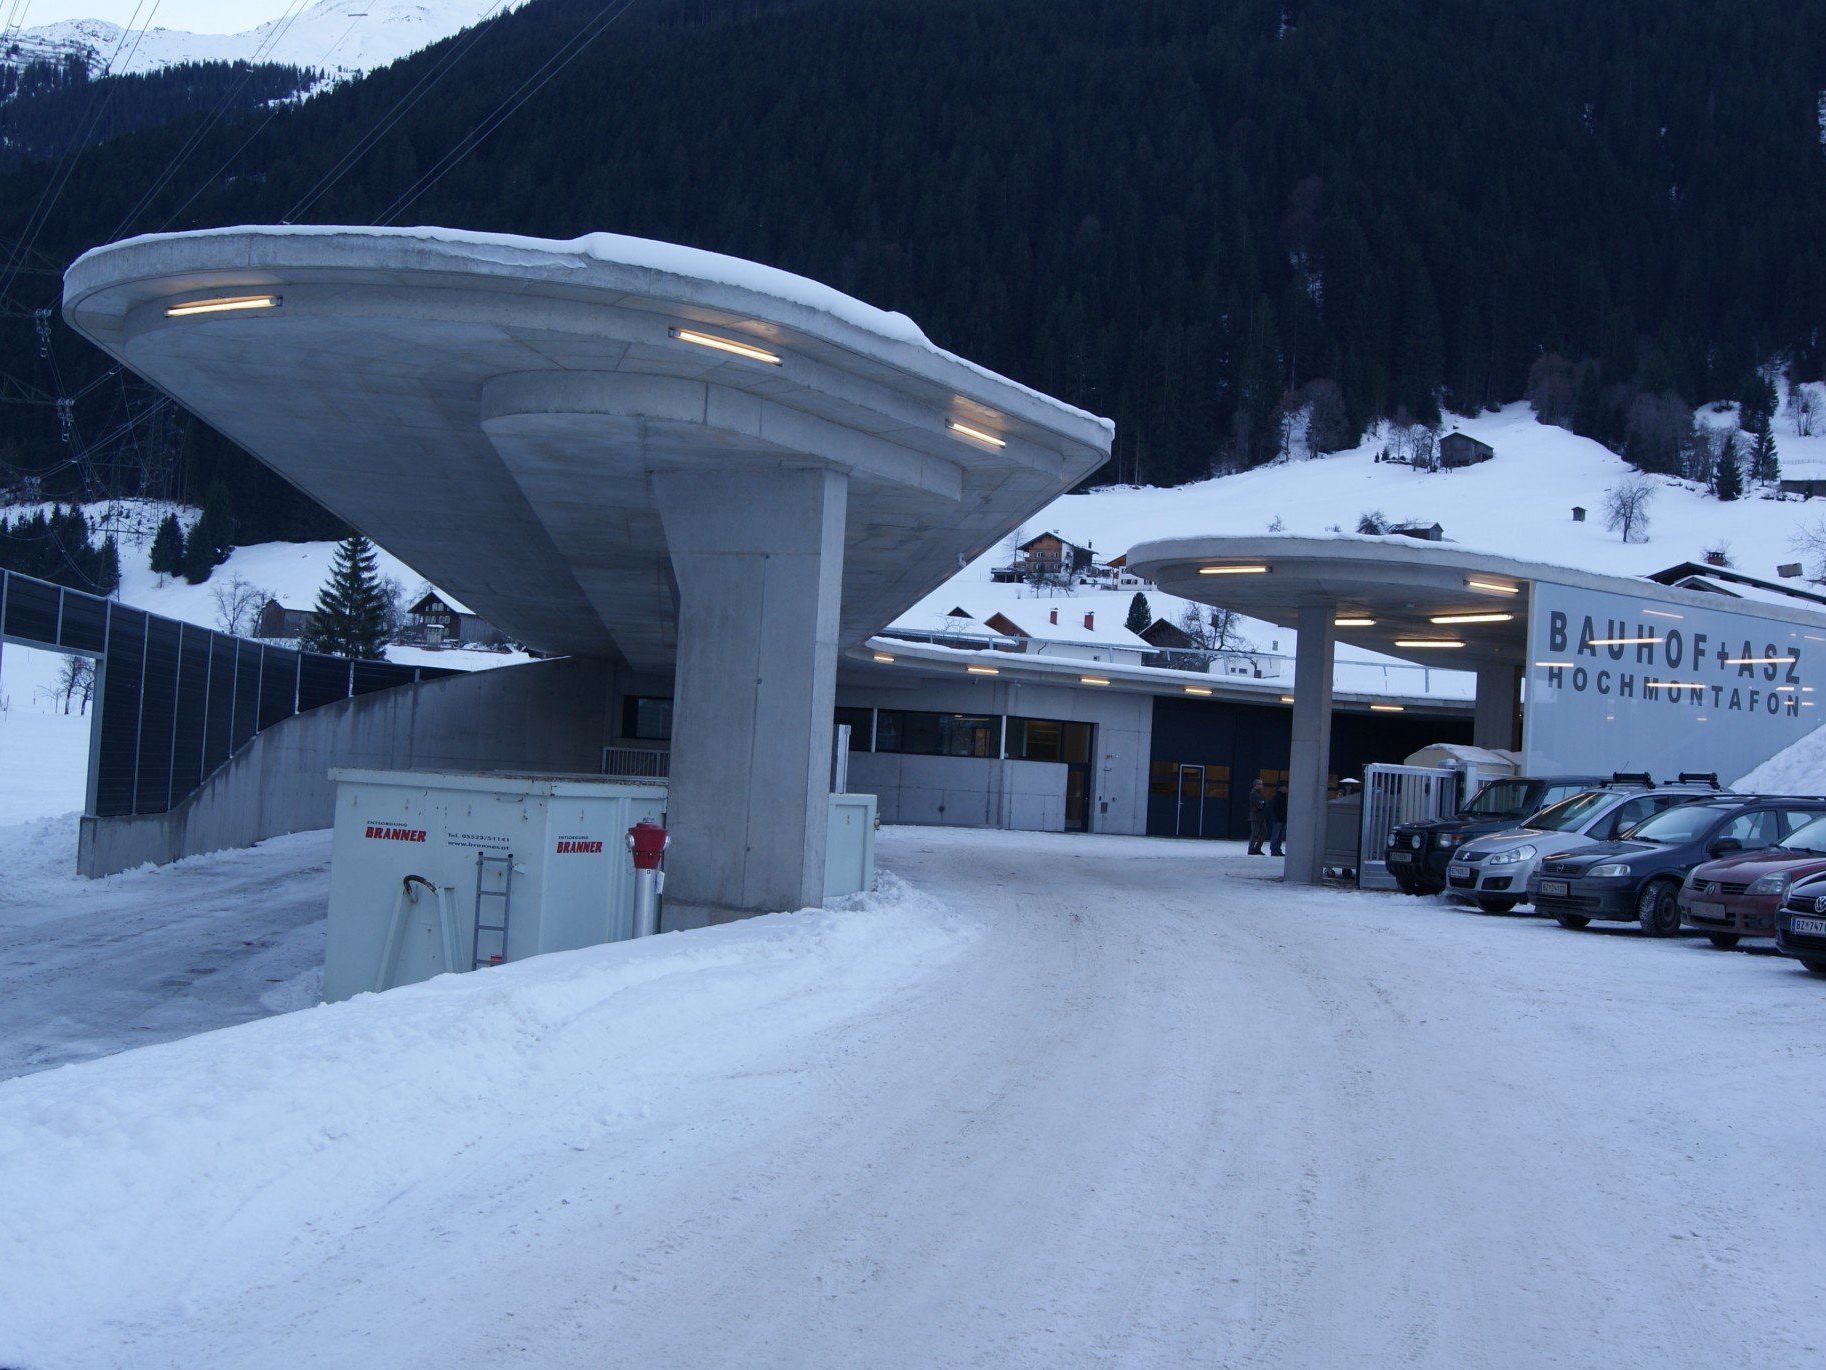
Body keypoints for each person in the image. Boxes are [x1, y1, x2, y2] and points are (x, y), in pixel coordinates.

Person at [1247, 778, 1269, 854]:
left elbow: (1263, 803)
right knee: (1255, 833)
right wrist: (1262, 804)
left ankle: (1257, 849)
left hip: (1261, 816)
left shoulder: (1260, 793)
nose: (1262, 785)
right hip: (1256, 816)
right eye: (1260, 784)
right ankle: (1251, 849)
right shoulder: (1253, 793)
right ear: (1256, 785)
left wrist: (1263, 804)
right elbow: (1259, 804)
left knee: (1264, 832)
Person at [1269, 784, 1287, 857]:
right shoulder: (1277, 797)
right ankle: (1274, 850)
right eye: (1285, 787)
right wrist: (1276, 817)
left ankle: (1277, 850)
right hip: (1278, 820)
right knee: (1276, 836)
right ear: (1280, 788)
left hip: (1282, 819)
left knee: (1279, 836)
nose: (1286, 789)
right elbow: (1273, 808)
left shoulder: (1283, 797)